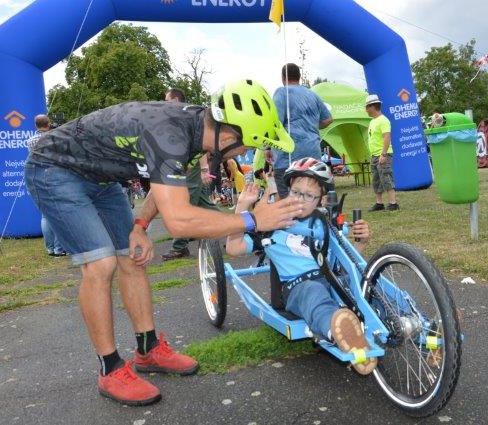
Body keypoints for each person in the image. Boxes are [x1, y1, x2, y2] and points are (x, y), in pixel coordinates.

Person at [24, 79, 303, 406]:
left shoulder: (196, 127)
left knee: (131, 255)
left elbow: (164, 185)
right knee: (101, 263)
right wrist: (254, 220)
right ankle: (110, 368)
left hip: (100, 179)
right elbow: (179, 220)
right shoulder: (171, 133)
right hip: (53, 170)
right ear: (228, 136)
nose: (243, 154)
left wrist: (140, 225)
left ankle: (148, 349)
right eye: (244, 148)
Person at [226, 157, 377, 375]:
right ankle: (339, 332)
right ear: (287, 192)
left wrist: (360, 242)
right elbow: (234, 246)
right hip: (298, 287)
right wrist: (242, 206)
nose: (301, 200)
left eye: (309, 196)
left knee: (368, 283)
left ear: (321, 200)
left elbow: (347, 260)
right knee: (314, 294)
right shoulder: (271, 227)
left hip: (334, 281)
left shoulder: (323, 224)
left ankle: (406, 325)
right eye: (296, 192)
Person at [161, 88, 217, 261]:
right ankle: (242, 226)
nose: (164, 104)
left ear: (176, 100)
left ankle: (180, 247)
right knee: (205, 204)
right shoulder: (183, 116)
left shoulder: (188, 115)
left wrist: (203, 169)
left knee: (185, 203)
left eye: (167, 100)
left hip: (191, 166)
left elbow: (201, 147)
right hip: (185, 166)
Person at [265, 63, 333, 198]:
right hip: (313, 155)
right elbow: (329, 119)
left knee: (288, 201)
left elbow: (275, 123)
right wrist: (311, 125)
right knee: (311, 197)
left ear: (282, 77)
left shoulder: (281, 92)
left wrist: (267, 147)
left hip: (289, 157)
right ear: (299, 77)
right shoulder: (313, 95)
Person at [27, 114, 65, 257]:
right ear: (48, 123)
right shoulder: (53, 137)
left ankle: (50, 248)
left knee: (45, 215)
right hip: (54, 176)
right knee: (59, 214)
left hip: (37, 177)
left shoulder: (30, 141)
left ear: (36, 125)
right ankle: (58, 249)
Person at [365, 94, 399, 211]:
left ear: (372, 106)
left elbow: (387, 137)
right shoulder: (372, 121)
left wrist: (383, 154)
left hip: (383, 154)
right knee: (376, 179)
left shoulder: (383, 120)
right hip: (374, 155)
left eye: (367, 107)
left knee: (386, 177)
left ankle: (393, 203)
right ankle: (379, 203)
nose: (366, 110)